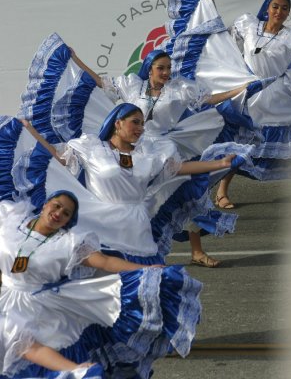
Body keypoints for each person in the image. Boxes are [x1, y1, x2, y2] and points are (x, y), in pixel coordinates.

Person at [70, 46, 255, 268]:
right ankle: (119, 252)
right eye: (161, 68)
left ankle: (196, 251)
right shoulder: (133, 87)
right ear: (149, 69)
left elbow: (210, 99)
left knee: (185, 193)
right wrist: (75, 58)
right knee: (123, 196)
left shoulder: (179, 90)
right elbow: (101, 82)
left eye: (168, 68)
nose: (166, 72)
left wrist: (240, 89)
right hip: (134, 148)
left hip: (163, 150)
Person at [0, 188, 203, 379]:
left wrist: (144, 269)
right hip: (4, 294)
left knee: (18, 340)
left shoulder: (68, 243)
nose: (58, 213)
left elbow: (105, 261)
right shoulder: (11, 222)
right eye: (57, 205)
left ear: (68, 221)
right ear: (45, 205)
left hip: (34, 304)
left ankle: (78, 371)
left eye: (66, 213)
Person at [20, 103, 254, 267]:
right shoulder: (92, 148)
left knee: (142, 276)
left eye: (142, 123)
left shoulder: (149, 154)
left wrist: (219, 163)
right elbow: (58, 158)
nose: (140, 128)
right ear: (118, 123)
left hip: (136, 225)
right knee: (101, 277)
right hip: (99, 222)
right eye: (135, 122)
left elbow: (179, 169)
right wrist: (30, 132)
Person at [163, 0, 291, 208]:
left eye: (284, 8)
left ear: (288, 13)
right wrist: (208, 2)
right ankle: (220, 192)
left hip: (278, 98)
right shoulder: (249, 26)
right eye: (275, 6)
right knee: (236, 143)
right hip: (248, 93)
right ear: (267, 8)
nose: (279, 11)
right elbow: (223, 43)